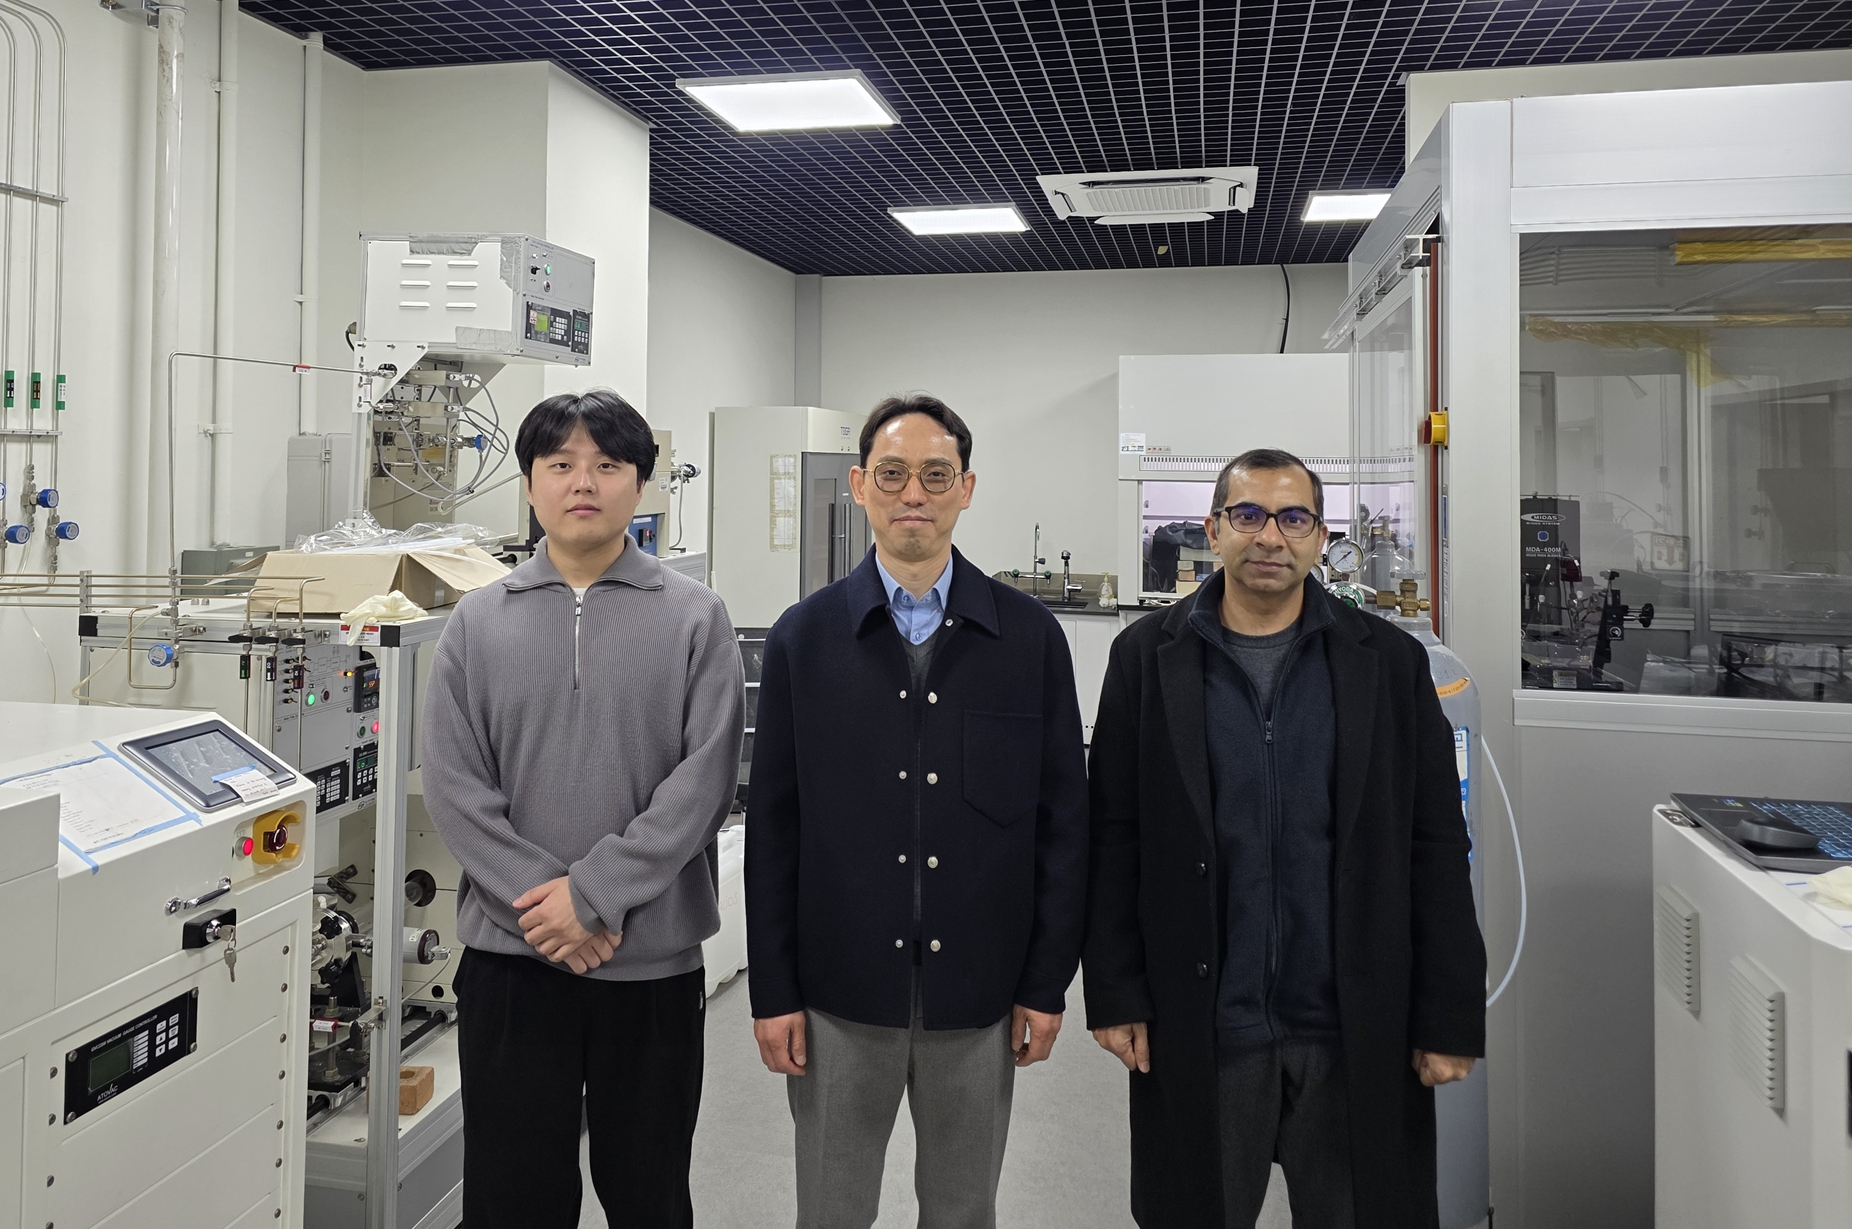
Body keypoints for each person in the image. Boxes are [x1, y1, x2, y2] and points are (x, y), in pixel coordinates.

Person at [1084, 448, 1486, 1229]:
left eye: (1293, 517)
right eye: (1248, 515)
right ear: (1213, 530)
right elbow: (1115, 835)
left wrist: (1449, 1009)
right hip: (1205, 1020)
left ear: (1320, 536)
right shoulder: (1146, 658)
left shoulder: (1390, 665)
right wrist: (1116, 989)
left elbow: (1436, 844)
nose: (1270, 536)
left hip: (1352, 1025)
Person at [745, 393, 1089, 1229]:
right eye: (893, 473)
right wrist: (773, 991)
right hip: (838, 995)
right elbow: (774, 831)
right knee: (831, 1212)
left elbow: (1062, 827)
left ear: (966, 488)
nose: (913, 493)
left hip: (977, 995)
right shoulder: (803, 639)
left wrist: (1045, 984)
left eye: (936, 475)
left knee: (964, 1211)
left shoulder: (1029, 639)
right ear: (860, 484)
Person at [421, 389, 745, 1228]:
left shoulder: (695, 617)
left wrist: (593, 896)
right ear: (530, 483)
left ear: (640, 482)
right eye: (560, 463)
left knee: (650, 1196)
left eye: (607, 464)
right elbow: (455, 786)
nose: (583, 482)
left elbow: (705, 780)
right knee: (511, 1201)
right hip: (513, 964)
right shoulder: (476, 622)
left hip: (650, 964)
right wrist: (549, 905)